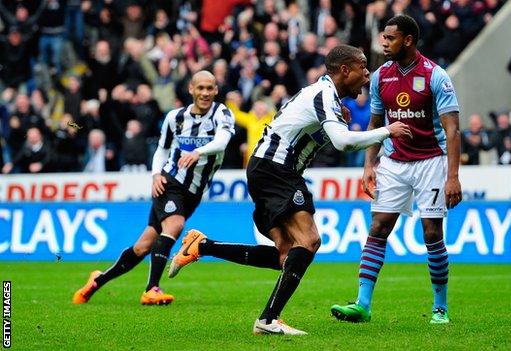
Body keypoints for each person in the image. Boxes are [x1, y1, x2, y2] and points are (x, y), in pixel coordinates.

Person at [167, 44, 412, 335]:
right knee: (309, 241)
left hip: (271, 170)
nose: (367, 75)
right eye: (363, 67)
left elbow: (313, 132)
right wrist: (388, 130)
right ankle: (268, 319)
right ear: (345, 70)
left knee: (286, 255)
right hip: (275, 169)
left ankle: (203, 246)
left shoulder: (325, 97)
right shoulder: (323, 94)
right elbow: (343, 142)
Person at [330, 15, 462, 325]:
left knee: (432, 233)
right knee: (378, 227)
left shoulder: (435, 75)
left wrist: (453, 176)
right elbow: (375, 124)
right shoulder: (379, 77)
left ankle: (440, 307)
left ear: (408, 40)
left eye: (390, 38)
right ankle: (362, 304)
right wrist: (368, 166)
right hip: (393, 161)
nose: (383, 43)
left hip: (431, 160)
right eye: (384, 37)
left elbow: (453, 129)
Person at [72, 71, 235, 305]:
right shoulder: (175, 118)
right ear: (191, 89)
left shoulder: (221, 113)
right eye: (200, 88)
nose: (205, 93)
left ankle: (97, 280)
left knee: (143, 247)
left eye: (210, 88)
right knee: (175, 225)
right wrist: (156, 174)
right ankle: (152, 289)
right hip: (170, 182)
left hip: (194, 192)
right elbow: (162, 149)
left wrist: (197, 152)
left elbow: (223, 140)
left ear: (216, 90)